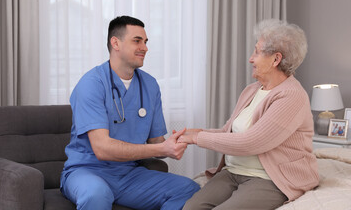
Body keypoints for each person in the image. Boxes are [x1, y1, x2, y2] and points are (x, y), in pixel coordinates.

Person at [60, 16, 200, 210]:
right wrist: (161, 149)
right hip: (87, 171)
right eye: (137, 41)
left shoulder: (150, 85)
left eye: (145, 41)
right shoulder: (91, 84)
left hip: (128, 175)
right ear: (115, 43)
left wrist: (176, 141)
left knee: (189, 189)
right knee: (96, 194)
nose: (145, 47)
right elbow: (102, 149)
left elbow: (156, 143)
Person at [178, 19, 319, 210]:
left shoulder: (292, 96)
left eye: (257, 52)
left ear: (276, 59)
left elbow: (251, 143)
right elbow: (231, 133)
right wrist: (197, 132)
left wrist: (197, 138)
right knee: (190, 208)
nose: (251, 58)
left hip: (269, 178)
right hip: (233, 172)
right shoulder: (252, 90)